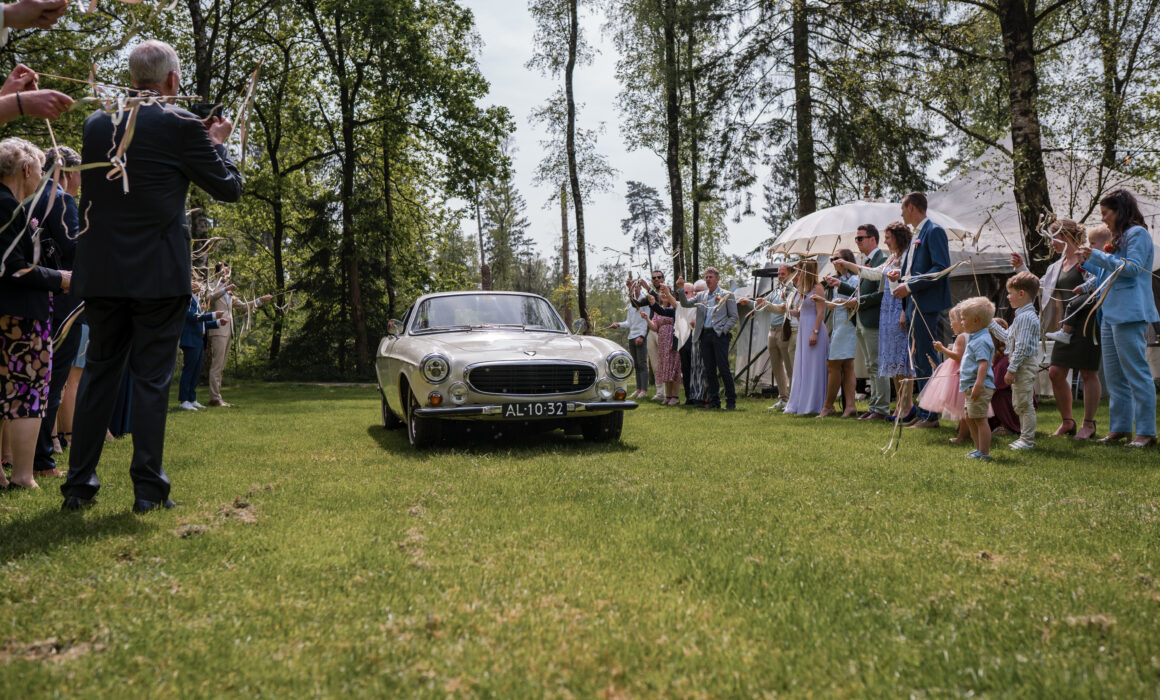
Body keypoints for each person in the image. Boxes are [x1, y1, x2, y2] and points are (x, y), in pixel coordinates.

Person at [61, 40, 244, 513]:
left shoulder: (96, 123)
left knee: (100, 375)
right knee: (151, 379)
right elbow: (229, 188)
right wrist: (217, 143)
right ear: (171, 80)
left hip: (102, 272)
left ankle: (78, 488)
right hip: (158, 274)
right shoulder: (182, 124)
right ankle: (147, 489)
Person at [0, 137, 69, 490]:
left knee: (2, 392)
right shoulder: (8, 208)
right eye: (40, 170)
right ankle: (24, 476)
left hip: (9, 313)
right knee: (27, 393)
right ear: (26, 169)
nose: (40, 178)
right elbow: (12, 267)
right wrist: (60, 278)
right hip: (20, 315)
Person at [1077, 189, 1159, 448]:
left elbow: (1132, 269)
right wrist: (1088, 261)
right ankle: (1120, 428)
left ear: (1120, 211)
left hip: (1130, 312)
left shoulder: (1138, 234)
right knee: (1114, 377)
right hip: (1109, 313)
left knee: (1136, 372)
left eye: (1105, 213)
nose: (1103, 219)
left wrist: (1098, 256)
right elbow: (1109, 274)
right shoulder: (1117, 237)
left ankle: (1146, 432)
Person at [1007, 219, 1102, 440]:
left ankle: (1089, 425)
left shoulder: (1084, 258)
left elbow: (1099, 283)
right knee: (1055, 373)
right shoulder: (1055, 266)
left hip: (1087, 321)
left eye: (1054, 237)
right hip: (1063, 326)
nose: (1052, 243)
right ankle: (1068, 422)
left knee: (1088, 373)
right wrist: (1021, 267)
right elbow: (1039, 287)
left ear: (1066, 235)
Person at [30, 145, 81, 477]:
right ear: (68, 172)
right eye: (81, 174)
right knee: (53, 378)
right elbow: (75, 249)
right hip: (61, 298)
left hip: (36, 297)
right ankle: (42, 459)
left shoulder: (30, 195)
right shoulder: (60, 199)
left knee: (35, 377)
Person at [841, 221, 915, 421]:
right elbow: (874, 274)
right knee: (891, 359)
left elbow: (908, 282)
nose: (886, 241)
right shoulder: (892, 257)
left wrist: (904, 312)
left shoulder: (909, 256)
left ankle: (908, 406)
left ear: (898, 238)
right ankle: (899, 406)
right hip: (887, 309)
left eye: (889, 237)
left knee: (901, 359)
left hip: (899, 306)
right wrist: (850, 266)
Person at [890, 193, 951, 428]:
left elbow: (940, 268)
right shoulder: (918, 233)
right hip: (915, 304)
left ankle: (930, 415)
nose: (901, 213)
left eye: (902, 208)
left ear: (912, 207)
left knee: (927, 357)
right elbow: (918, 268)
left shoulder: (934, 231)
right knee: (918, 358)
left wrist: (910, 285)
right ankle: (924, 410)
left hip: (928, 304)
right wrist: (902, 275)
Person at [832, 225, 889, 420]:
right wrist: (841, 285)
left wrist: (859, 301)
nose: (857, 242)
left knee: (877, 364)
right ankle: (874, 406)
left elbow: (882, 294)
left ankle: (881, 408)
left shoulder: (881, 260)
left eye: (860, 238)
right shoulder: (868, 261)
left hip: (873, 319)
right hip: (862, 319)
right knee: (871, 365)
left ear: (873, 239)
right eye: (856, 239)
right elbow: (860, 293)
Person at [986, 270, 1041, 450]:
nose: (1008, 297)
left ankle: (1027, 440)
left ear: (1021, 293)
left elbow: (1022, 347)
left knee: (1024, 404)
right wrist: (990, 322)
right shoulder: (1022, 316)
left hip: (1023, 365)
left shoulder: (1025, 318)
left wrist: (1012, 369)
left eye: (1010, 293)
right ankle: (1025, 438)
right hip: (1021, 364)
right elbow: (1008, 337)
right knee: (1020, 402)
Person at [205, 261, 272, 407]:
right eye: (226, 270)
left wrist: (260, 300)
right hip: (217, 331)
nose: (228, 273)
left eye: (228, 271)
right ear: (219, 272)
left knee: (221, 366)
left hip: (229, 331)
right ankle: (214, 398)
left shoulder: (229, 293)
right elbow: (209, 298)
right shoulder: (212, 287)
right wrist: (224, 289)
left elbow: (242, 307)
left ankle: (217, 397)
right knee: (217, 365)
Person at [675, 267, 738, 410]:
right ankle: (714, 401)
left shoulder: (727, 295)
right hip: (704, 335)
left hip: (719, 336)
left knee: (723, 369)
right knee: (709, 370)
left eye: (711, 277)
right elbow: (685, 303)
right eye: (706, 277)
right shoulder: (701, 296)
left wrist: (723, 330)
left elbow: (734, 316)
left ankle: (731, 401)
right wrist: (680, 289)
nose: (708, 279)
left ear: (717, 279)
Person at [745, 264, 797, 411]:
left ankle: (792, 399)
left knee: (789, 366)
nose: (780, 276)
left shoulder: (792, 290)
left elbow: (781, 308)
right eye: (779, 274)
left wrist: (764, 303)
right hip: (772, 331)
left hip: (784, 330)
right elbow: (764, 305)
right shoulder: (777, 290)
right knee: (776, 366)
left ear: (791, 274)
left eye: (783, 274)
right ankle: (783, 398)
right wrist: (749, 303)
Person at [783, 260, 828, 415]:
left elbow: (821, 312)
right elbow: (802, 312)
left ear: (806, 271)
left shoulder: (818, 288)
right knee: (803, 366)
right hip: (803, 329)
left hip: (814, 329)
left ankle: (814, 403)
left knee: (813, 366)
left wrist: (815, 332)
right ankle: (800, 401)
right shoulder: (803, 290)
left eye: (800, 271)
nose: (797, 274)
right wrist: (792, 312)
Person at [919, 305, 969, 441]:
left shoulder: (961, 337)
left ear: (962, 321)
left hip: (958, 373)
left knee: (962, 407)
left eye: (952, 320)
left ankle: (962, 436)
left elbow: (958, 356)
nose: (951, 324)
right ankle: (962, 429)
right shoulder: (970, 335)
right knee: (964, 407)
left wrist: (942, 350)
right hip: (963, 372)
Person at [820, 250, 858, 418]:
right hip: (838, 324)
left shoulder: (856, 278)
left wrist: (841, 301)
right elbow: (831, 306)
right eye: (832, 259)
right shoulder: (838, 280)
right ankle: (850, 406)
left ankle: (828, 406)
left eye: (837, 258)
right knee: (848, 365)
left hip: (848, 325)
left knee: (833, 364)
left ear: (847, 260)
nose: (834, 261)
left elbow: (857, 301)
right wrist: (825, 301)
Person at [958, 297, 996, 460]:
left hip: (978, 385)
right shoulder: (975, 337)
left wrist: (978, 384)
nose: (961, 322)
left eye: (963, 319)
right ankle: (978, 449)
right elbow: (973, 362)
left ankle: (984, 452)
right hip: (971, 384)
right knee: (969, 417)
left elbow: (983, 364)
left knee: (980, 419)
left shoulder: (981, 340)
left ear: (975, 320)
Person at [179, 277, 225, 410]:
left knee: (196, 371)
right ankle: (183, 400)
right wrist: (213, 315)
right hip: (190, 340)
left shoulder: (197, 301)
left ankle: (192, 398)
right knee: (189, 370)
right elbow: (193, 317)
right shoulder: (186, 300)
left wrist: (217, 322)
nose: (200, 286)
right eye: (197, 284)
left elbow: (202, 323)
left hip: (199, 340)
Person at [610, 279, 650, 399]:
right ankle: (638, 389)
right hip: (631, 336)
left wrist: (642, 336)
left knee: (642, 364)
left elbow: (646, 321)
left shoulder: (645, 302)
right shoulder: (630, 305)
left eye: (637, 287)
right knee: (636, 365)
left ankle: (644, 390)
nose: (635, 289)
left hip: (639, 336)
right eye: (633, 287)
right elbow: (628, 322)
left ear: (640, 288)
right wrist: (618, 324)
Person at [643, 286, 682, 405]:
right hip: (662, 342)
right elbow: (654, 327)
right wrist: (646, 319)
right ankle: (668, 396)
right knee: (666, 369)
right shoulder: (658, 310)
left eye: (666, 292)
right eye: (661, 293)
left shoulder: (675, 306)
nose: (663, 295)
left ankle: (675, 396)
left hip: (672, 339)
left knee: (674, 368)